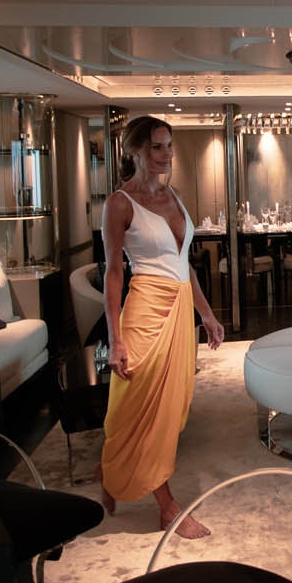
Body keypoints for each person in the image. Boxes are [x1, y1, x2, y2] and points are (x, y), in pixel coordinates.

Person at [96, 116, 225, 539]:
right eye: (156, 147)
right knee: (134, 406)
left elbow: (181, 263)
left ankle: (111, 472)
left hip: (179, 310)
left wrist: (205, 314)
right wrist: (114, 339)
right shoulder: (119, 203)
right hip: (144, 310)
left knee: (168, 414)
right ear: (134, 150)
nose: (166, 154)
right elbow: (114, 273)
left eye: (168, 146)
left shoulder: (174, 196)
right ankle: (167, 507)